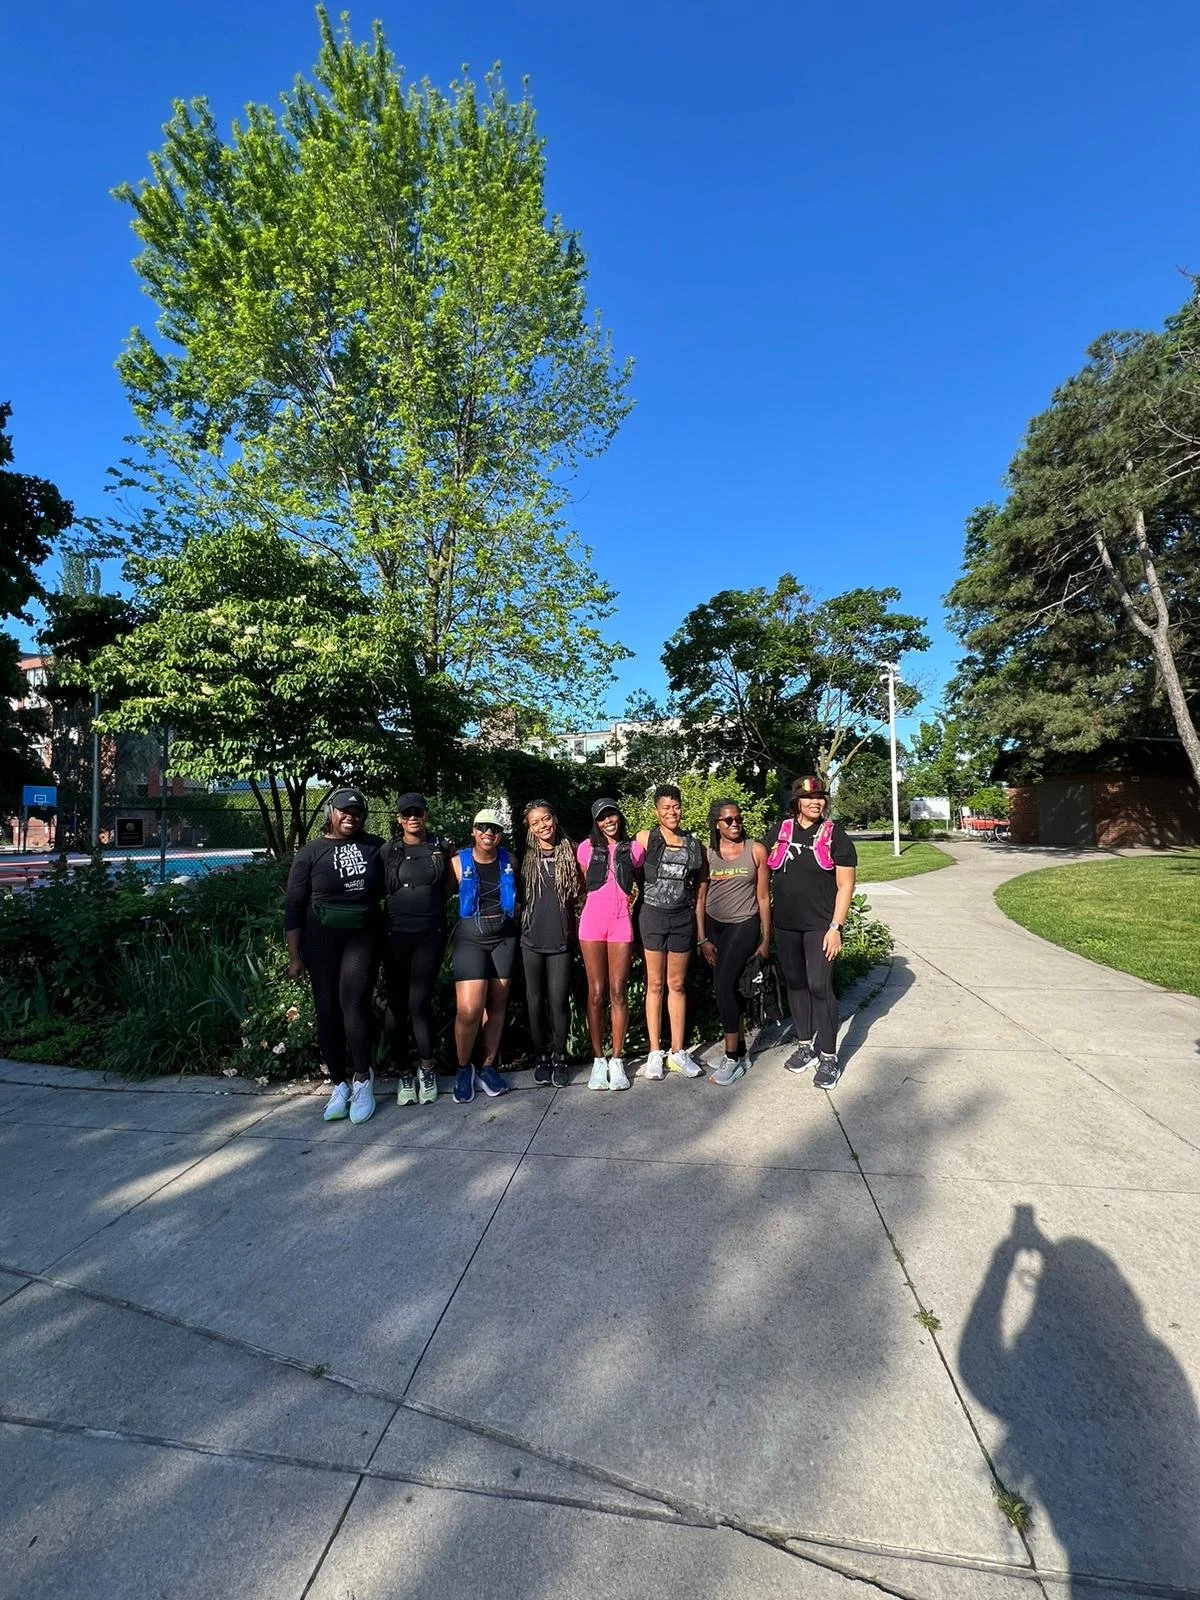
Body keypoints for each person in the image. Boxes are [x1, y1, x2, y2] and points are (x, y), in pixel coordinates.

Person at [284, 787, 384, 1124]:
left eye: (356, 812)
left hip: (363, 934)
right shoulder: (310, 853)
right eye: (344, 811)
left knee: (353, 1005)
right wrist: (294, 955)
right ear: (331, 812)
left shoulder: (375, 847)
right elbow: (294, 905)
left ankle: (361, 1078)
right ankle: (338, 1083)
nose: (350, 817)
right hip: (320, 938)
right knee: (326, 1008)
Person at [765, 775, 857, 1088]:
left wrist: (836, 926)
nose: (815, 802)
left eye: (820, 797)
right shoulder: (778, 832)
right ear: (796, 803)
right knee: (795, 984)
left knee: (820, 985)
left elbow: (846, 885)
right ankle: (806, 1047)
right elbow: (757, 868)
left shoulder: (835, 835)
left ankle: (829, 1057)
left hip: (820, 926)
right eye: (808, 798)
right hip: (785, 924)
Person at [380, 792, 448, 1109]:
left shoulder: (440, 847)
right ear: (398, 818)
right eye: (406, 813)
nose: (412, 818)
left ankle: (427, 1067)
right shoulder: (388, 850)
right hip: (395, 935)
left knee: (419, 1001)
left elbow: (453, 884)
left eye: (417, 812)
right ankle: (403, 1072)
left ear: (425, 814)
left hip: (429, 934)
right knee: (396, 1006)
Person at [696, 799, 771, 1085]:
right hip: (715, 928)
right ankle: (741, 1051)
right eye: (728, 820)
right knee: (734, 989)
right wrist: (702, 937)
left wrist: (766, 938)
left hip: (745, 924)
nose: (735, 823)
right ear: (717, 823)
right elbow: (701, 897)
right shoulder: (708, 853)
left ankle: (731, 1059)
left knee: (723, 986)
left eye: (738, 818)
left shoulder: (756, 850)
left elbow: (763, 898)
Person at [635, 784, 706, 1080]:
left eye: (675, 806)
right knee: (654, 984)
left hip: (681, 919)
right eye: (665, 807)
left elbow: (701, 886)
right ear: (656, 810)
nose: (671, 812)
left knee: (676, 984)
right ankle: (655, 1052)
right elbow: (629, 870)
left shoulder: (693, 844)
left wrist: (701, 930)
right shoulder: (645, 838)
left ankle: (677, 1051)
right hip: (652, 916)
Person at [449, 809, 518, 1103]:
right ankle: (463, 1068)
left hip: (503, 937)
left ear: (500, 834)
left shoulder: (510, 861)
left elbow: (520, 896)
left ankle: (487, 1066)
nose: (489, 833)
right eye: (483, 828)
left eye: (495, 828)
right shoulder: (456, 862)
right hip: (470, 938)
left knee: (498, 1002)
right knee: (470, 1009)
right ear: (474, 831)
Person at [577, 798, 645, 1090]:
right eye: (602, 818)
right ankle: (598, 1060)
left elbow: (643, 882)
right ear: (596, 822)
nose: (608, 821)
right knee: (596, 992)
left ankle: (617, 1060)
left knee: (618, 991)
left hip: (620, 922)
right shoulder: (585, 848)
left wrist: (635, 910)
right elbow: (584, 884)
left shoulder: (635, 849)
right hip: (592, 922)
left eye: (612, 815)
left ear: (619, 816)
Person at [520, 799, 582, 1088]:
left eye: (546, 819)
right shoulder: (524, 857)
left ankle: (559, 1057)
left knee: (558, 1000)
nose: (543, 825)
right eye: (536, 822)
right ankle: (540, 1056)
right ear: (529, 828)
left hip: (560, 939)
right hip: (531, 939)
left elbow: (582, 893)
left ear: (554, 819)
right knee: (534, 1001)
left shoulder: (572, 852)